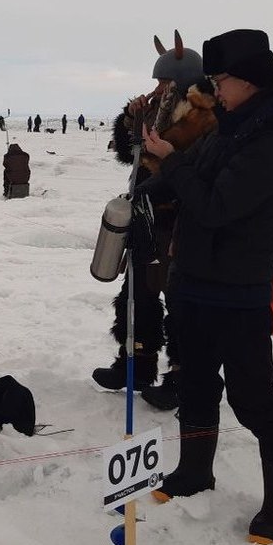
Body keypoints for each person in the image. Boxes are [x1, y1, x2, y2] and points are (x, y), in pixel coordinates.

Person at [144, 29, 273, 545]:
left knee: (254, 400)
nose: (214, 89)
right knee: (196, 382)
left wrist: (172, 167)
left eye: (220, 80)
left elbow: (216, 207)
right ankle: (195, 473)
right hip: (194, 284)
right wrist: (143, 195)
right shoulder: (228, 127)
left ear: (249, 81)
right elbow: (189, 175)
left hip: (239, 294)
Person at [92, 31, 213, 411]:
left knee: (178, 299)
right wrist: (131, 120)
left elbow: (179, 165)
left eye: (165, 81)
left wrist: (155, 149)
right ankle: (135, 364)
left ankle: (180, 376)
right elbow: (131, 156)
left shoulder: (202, 117)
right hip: (147, 220)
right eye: (158, 82)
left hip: (179, 222)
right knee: (138, 294)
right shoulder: (160, 111)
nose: (159, 88)